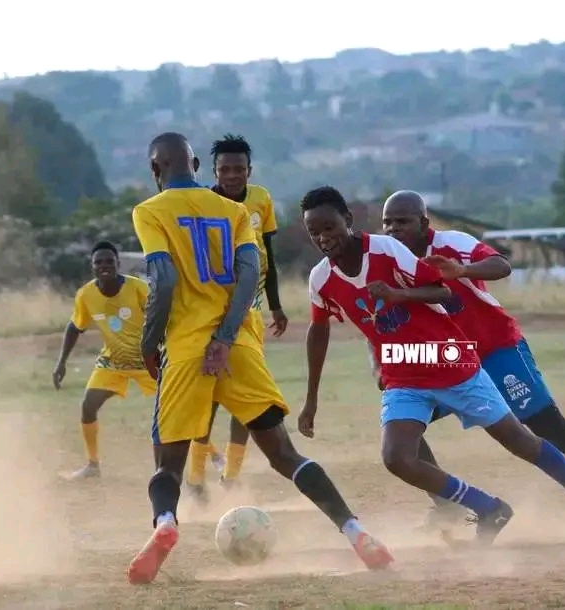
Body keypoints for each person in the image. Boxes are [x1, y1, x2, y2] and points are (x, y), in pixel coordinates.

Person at [299, 185, 565, 549]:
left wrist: (446, 276)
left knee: (537, 431)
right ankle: (472, 507)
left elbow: (477, 276)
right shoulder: (323, 278)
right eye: (389, 222)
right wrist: (347, 381)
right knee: (398, 454)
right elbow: (354, 324)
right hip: (412, 368)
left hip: (476, 354)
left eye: (403, 221)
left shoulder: (420, 248)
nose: (395, 229)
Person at [127, 133, 392, 585]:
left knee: (166, 465)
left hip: (187, 348)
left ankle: (167, 524)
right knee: (285, 454)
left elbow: (165, 280)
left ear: (156, 170)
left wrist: (150, 342)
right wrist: (227, 337)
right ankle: (356, 532)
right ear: (195, 164)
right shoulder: (234, 211)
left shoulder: (149, 212)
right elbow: (251, 276)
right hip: (242, 347)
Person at [186, 134, 288, 500]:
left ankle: (231, 475)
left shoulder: (261, 200)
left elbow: (268, 256)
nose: (232, 175)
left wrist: (275, 304)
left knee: (246, 394)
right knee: (209, 394)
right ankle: (196, 478)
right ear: (213, 172)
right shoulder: (204, 203)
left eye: (239, 169)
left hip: (252, 312)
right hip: (211, 312)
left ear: (249, 170)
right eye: (225, 169)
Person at [52, 241, 156, 480]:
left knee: (177, 408)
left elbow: (162, 315)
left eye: (110, 261)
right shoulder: (86, 294)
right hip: (114, 362)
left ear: (118, 264)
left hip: (148, 361)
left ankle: (211, 455)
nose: (104, 265)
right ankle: (92, 465)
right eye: (99, 262)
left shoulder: (138, 288)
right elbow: (75, 326)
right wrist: (61, 363)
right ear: (92, 267)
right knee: (88, 405)